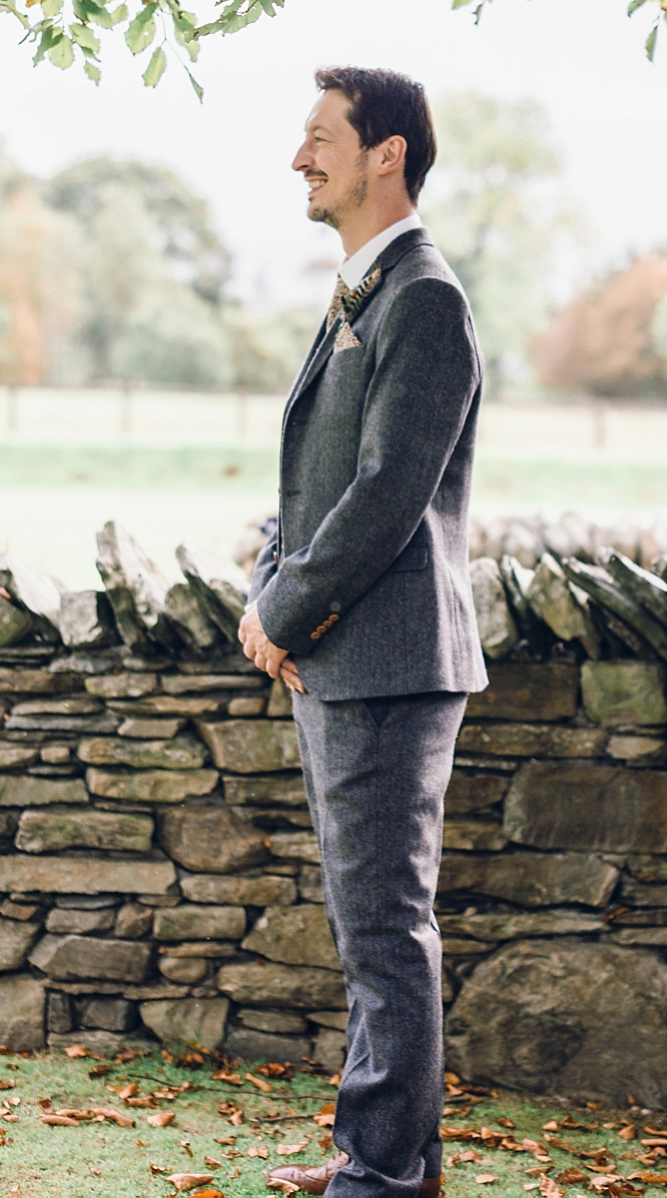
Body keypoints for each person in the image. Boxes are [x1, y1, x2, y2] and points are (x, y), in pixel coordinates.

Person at [238, 66, 488, 1198]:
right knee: (368, 929)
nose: (301, 157)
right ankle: (389, 1158)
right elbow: (311, 485)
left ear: (386, 152)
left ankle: (382, 1174)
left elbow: (388, 494)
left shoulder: (424, 299)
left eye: (319, 137)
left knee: (387, 930)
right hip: (342, 659)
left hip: (389, 662)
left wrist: (282, 611)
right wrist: (266, 590)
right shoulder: (362, 292)